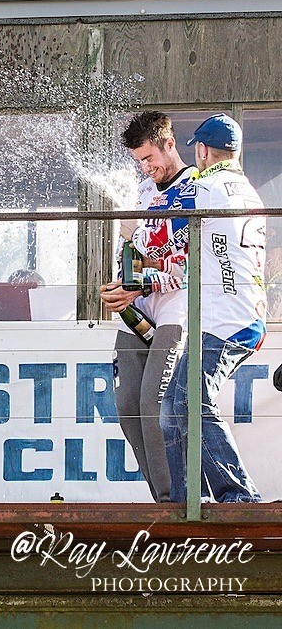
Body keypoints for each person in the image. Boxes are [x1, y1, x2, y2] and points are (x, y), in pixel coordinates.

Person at [129, 113, 264, 503]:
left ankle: (237, 495)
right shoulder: (247, 189)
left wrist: (133, 230)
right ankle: (187, 497)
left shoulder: (206, 186)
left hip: (226, 320)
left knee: (186, 400)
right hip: (242, 311)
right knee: (175, 401)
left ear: (202, 150)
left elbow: (157, 239)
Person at [99, 111, 198, 503]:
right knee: (126, 406)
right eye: (138, 161)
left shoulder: (198, 188)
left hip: (177, 304)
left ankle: (179, 499)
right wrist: (122, 284)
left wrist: (138, 284)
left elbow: (189, 264)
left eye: (149, 158)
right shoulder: (143, 191)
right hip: (142, 303)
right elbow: (137, 253)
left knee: (153, 403)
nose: (145, 167)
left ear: (169, 144)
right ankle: (162, 497)